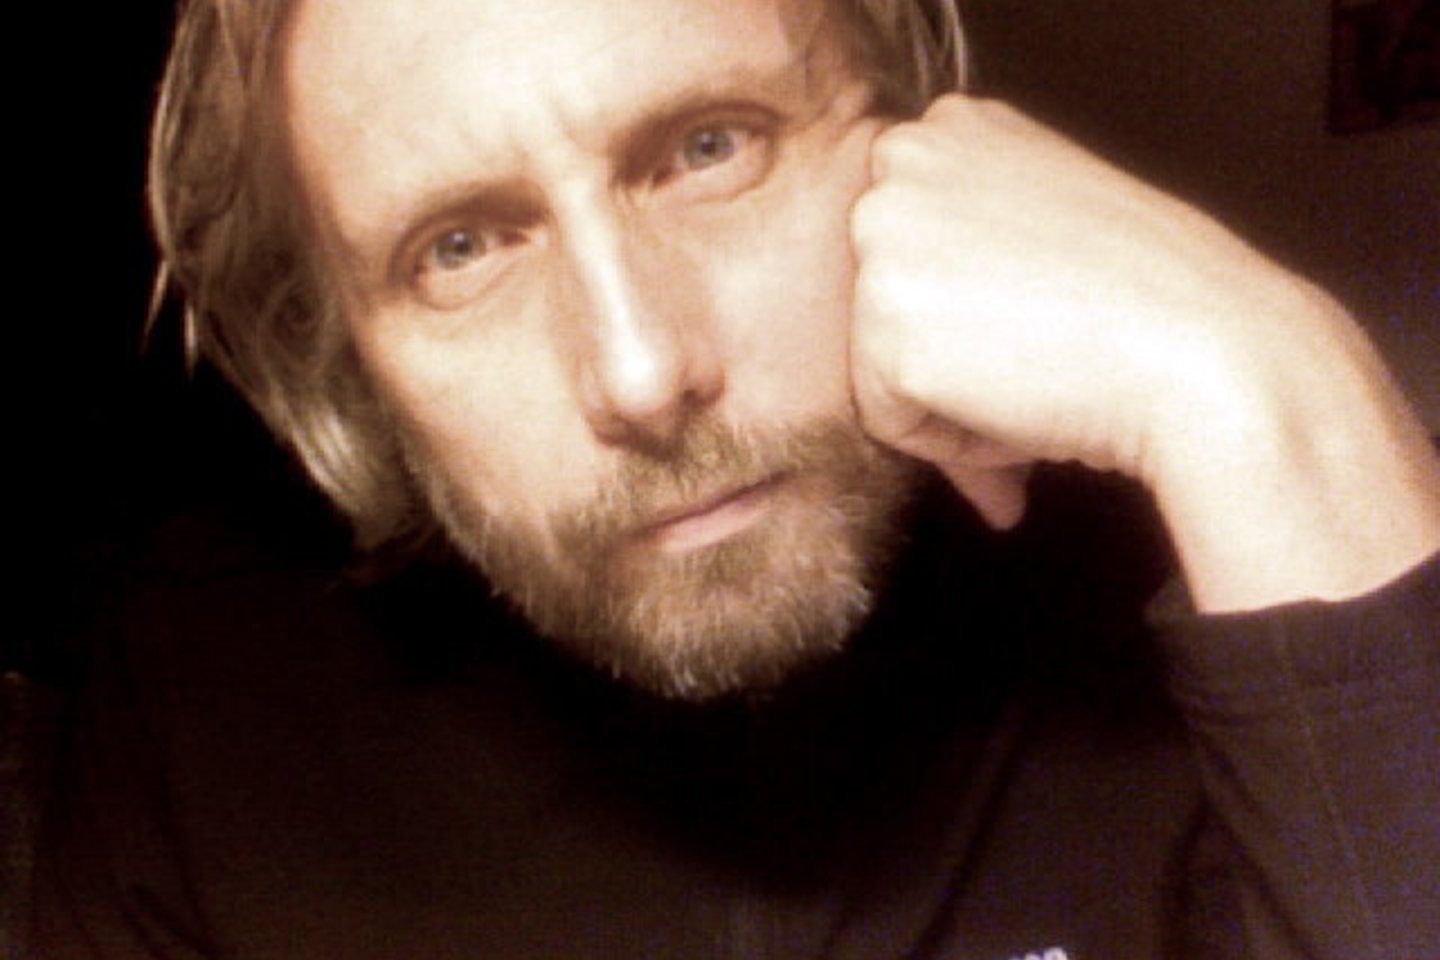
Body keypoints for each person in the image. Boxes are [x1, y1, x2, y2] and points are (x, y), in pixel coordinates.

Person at [29, 0, 1439, 957]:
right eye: (459, 248)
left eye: (711, 149)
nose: (642, 370)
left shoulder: (1216, 562)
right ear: (348, 359)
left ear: (921, 132)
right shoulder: (201, 698)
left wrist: (1276, 386)